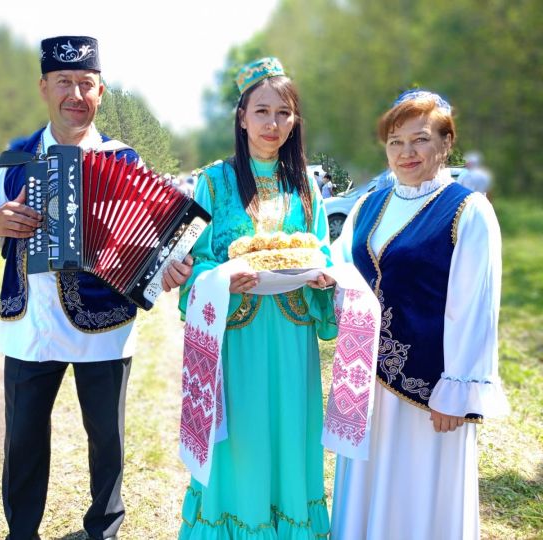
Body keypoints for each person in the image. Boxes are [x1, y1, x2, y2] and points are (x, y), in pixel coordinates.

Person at [0, 35, 192, 540]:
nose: (76, 94)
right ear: (44, 87)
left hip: (104, 324)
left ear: (101, 91)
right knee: (23, 439)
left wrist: (170, 268)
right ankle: (21, 533)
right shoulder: (12, 161)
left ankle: (104, 530)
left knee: (106, 440)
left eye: (86, 84)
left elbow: (159, 239)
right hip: (30, 324)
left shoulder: (124, 160)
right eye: (64, 82)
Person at [330, 89, 509, 540]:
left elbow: (475, 307)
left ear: (446, 143)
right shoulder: (370, 205)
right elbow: (343, 268)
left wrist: (458, 391)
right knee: (369, 485)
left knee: (419, 492)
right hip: (365, 380)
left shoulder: (468, 211)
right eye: (395, 141)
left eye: (420, 139)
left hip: (429, 390)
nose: (406, 153)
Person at [177, 57, 336, 539]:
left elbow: (321, 247)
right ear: (241, 116)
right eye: (262, 111)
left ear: (295, 121)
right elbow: (193, 262)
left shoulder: (306, 184)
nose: (273, 123)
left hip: (292, 335)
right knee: (241, 444)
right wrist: (220, 278)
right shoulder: (213, 182)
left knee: (291, 437)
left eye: (284, 113)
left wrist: (322, 275)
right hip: (236, 338)